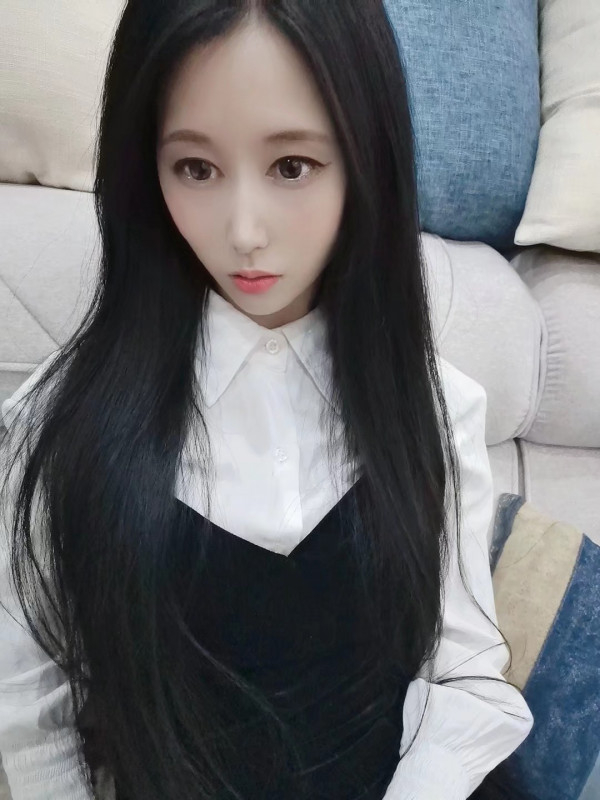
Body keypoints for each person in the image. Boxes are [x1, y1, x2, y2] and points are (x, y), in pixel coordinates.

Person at [0, 1, 534, 798]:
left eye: (291, 167)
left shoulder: (435, 409)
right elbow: (34, 714)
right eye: (196, 168)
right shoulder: (58, 423)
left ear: (366, 159)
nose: (244, 231)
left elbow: (461, 678)